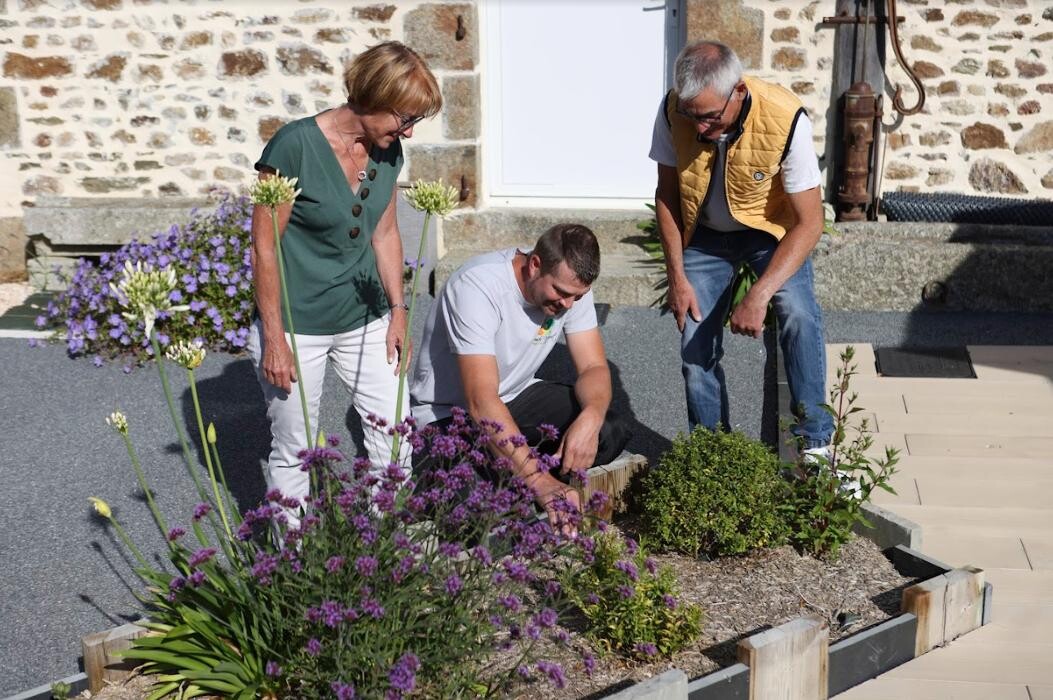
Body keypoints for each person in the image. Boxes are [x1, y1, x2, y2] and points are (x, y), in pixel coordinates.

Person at [248, 41, 442, 525]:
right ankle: (290, 557)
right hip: (297, 325)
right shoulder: (293, 147)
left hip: (367, 316)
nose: (409, 132)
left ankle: (388, 545)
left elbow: (385, 233)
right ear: (374, 96)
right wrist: (273, 338)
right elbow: (264, 249)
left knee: (395, 438)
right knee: (295, 449)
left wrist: (399, 311)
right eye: (405, 118)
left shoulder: (388, 152)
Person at [649, 40, 833, 455]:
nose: (700, 128)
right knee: (694, 341)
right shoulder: (672, 111)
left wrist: (760, 294)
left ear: (739, 92)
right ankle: (713, 455)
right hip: (705, 234)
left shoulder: (785, 118)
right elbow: (667, 196)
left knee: (798, 313)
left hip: (770, 231)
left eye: (710, 117)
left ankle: (815, 444)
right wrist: (676, 277)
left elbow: (810, 223)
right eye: (692, 116)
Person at [410, 224, 632, 529]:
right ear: (535, 265)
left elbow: (593, 367)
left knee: (609, 430)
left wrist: (591, 417)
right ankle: (518, 483)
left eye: (577, 297)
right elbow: (481, 402)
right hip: (449, 413)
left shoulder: (571, 289)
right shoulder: (477, 287)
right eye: (561, 293)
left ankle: (517, 477)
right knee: (477, 510)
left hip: (515, 396)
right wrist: (541, 482)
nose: (567, 305)